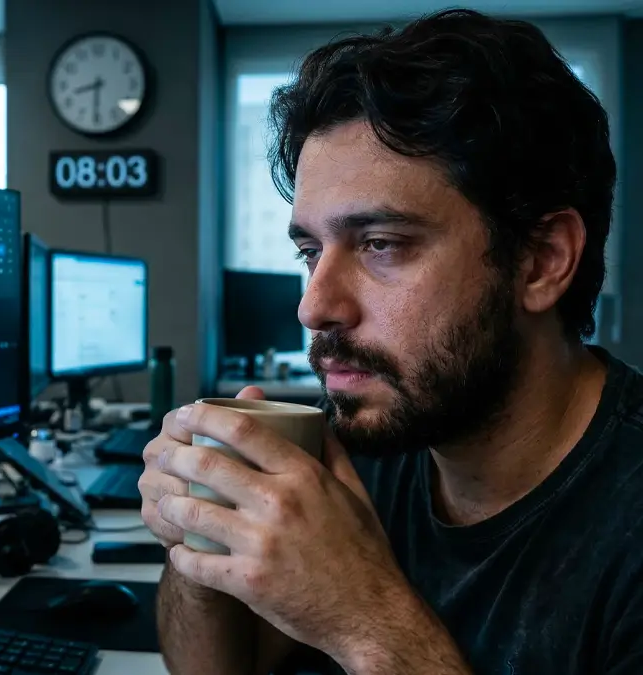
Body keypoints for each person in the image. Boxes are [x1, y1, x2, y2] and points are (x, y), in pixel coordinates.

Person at [140, 8, 643, 675]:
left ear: (542, 260)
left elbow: (361, 622)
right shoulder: (367, 442)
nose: (313, 305)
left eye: (381, 244)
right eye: (310, 250)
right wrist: (199, 535)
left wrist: (367, 617)